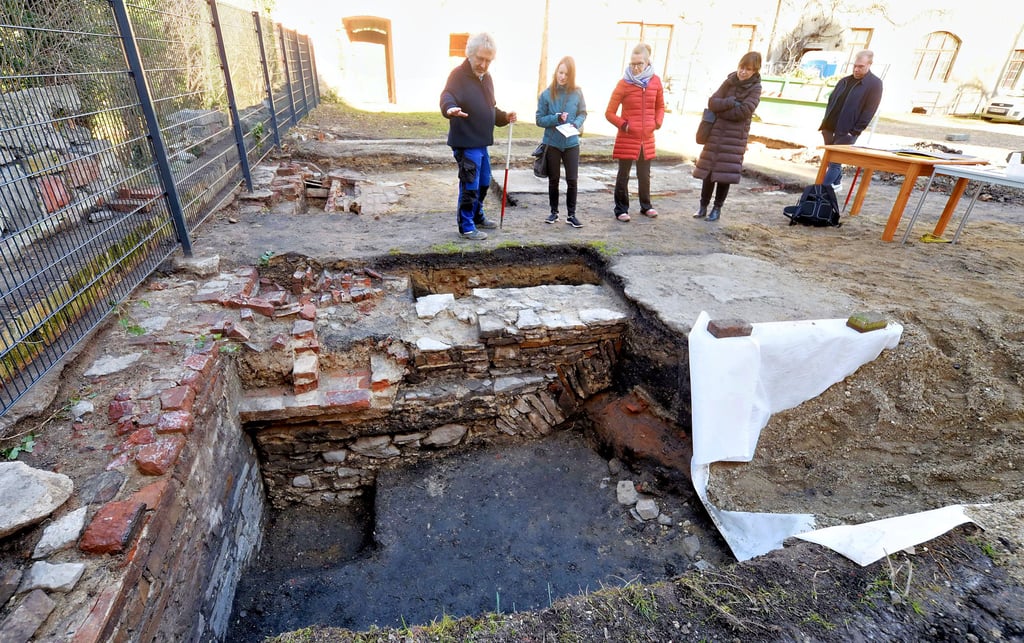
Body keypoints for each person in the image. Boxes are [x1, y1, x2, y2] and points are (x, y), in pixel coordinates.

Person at [440, 32, 517, 240]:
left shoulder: (487, 78)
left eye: (488, 60)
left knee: (484, 183)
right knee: (470, 185)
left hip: (481, 143)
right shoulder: (458, 75)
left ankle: (477, 215)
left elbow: (489, 107)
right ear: (470, 54)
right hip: (466, 142)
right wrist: (450, 109)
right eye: (480, 58)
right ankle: (466, 226)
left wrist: (503, 116)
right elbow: (447, 96)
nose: (483, 64)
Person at [692, 51, 763, 222]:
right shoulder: (729, 82)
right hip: (715, 135)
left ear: (755, 71)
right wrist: (731, 102)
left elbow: (744, 111)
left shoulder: (756, 88)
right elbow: (712, 102)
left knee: (724, 175)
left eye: (748, 69)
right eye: (741, 67)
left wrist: (722, 110)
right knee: (708, 173)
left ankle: (717, 209)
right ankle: (703, 206)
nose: (743, 72)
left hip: (734, 139)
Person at [605, 43, 664, 222]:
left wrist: (657, 122)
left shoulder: (655, 82)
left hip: (647, 138)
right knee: (623, 175)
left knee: (644, 175)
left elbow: (660, 106)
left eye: (639, 63)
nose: (635, 67)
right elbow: (609, 112)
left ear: (647, 63)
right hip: (627, 137)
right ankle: (621, 209)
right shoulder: (623, 84)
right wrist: (625, 126)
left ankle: (646, 206)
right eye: (632, 64)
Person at [818, 50, 883, 190]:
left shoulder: (874, 84)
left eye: (861, 66)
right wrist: (825, 125)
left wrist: (855, 131)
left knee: (835, 162)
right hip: (829, 127)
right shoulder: (845, 81)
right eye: (855, 65)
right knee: (831, 160)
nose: (856, 69)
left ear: (869, 65)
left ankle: (821, 191)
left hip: (847, 131)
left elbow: (869, 110)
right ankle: (837, 182)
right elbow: (832, 101)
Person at [536, 56, 587, 228]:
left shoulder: (577, 93)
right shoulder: (546, 95)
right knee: (554, 179)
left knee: (572, 179)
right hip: (553, 144)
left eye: (566, 73)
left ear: (571, 75)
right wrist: (555, 118)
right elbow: (539, 120)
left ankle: (571, 215)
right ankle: (553, 212)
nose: (562, 76)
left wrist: (577, 124)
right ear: (556, 72)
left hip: (571, 143)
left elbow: (582, 113)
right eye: (560, 72)